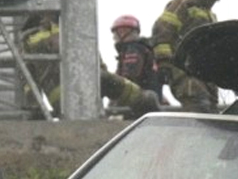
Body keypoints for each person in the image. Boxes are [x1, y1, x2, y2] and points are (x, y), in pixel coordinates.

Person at [21, 12, 157, 118]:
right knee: (104, 79)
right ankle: (143, 100)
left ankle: (142, 100)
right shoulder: (69, 23)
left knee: (103, 79)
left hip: (67, 97)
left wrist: (35, 109)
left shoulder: (30, 37)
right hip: (76, 91)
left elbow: (28, 79)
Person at [151, 0, 230, 113]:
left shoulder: (210, 16)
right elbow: (162, 29)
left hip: (206, 79)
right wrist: (165, 64)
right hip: (185, 74)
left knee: (212, 120)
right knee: (199, 110)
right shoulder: (184, 3)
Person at [110, 14, 163, 100]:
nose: (114, 37)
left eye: (118, 32)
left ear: (124, 32)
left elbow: (129, 76)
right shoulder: (144, 49)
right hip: (149, 98)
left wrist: (111, 86)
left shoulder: (133, 50)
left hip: (138, 100)